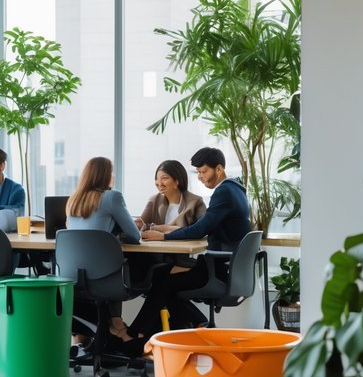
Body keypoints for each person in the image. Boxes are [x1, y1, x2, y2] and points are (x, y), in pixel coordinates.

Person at [128, 147, 251, 341]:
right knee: (160, 276)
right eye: (198, 173)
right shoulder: (236, 189)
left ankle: (135, 334)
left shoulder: (224, 192)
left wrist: (164, 237)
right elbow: (203, 228)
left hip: (219, 270)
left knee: (163, 284)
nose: (201, 177)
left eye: (204, 172)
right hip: (225, 267)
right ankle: (196, 325)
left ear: (219, 169)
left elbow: (199, 229)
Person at [65, 156, 140, 343]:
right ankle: (119, 327)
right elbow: (135, 236)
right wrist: (119, 235)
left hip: (73, 277)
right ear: (106, 176)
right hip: (105, 278)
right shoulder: (112, 197)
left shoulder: (73, 199)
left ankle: (99, 332)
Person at [135, 159, 207, 234]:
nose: (159, 183)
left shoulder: (196, 202)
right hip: (157, 245)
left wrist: (154, 228)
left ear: (177, 181)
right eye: (157, 179)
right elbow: (140, 225)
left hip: (184, 245)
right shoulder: (154, 200)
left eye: (164, 178)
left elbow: (200, 229)